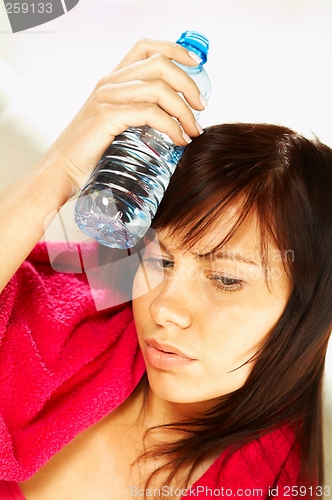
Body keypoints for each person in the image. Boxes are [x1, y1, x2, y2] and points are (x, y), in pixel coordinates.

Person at [0, 38, 331, 500]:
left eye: (225, 279)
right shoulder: (71, 322)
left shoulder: (267, 487)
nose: (165, 309)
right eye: (160, 260)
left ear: (313, 309)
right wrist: (63, 164)